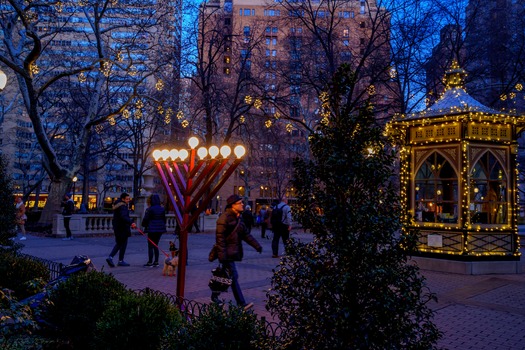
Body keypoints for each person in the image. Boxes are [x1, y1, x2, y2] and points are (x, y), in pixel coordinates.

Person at [212, 194, 262, 310]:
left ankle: (214, 296)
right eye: (240, 203)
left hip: (231, 253)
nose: (243, 204)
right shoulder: (224, 218)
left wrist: (257, 246)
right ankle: (241, 303)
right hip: (226, 254)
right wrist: (222, 255)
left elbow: (246, 235)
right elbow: (220, 238)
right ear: (233, 205)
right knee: (233, 276)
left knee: (223, 276)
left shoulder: (238, 218)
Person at [106, 193, 136, 267]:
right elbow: (124, 216)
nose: (128, 200)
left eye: (129, 199)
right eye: (127, 199)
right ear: (123, 199)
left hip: (117, 227)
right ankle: (112, 257)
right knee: (121, 243)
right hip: (122, 228)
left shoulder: (118, 205)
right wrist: (131, 222)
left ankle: (119, 260)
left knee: (121, 243)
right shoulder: (123, 206)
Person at [141, 194, 167, 267]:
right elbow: (164, 219)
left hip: (151, 229)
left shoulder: (149, 209)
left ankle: (150, 262)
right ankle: (156, 261)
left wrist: (144, 225)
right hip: (160, 229)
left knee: (150, 245)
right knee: (156, 245)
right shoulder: (162, 209)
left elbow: (146, 219)